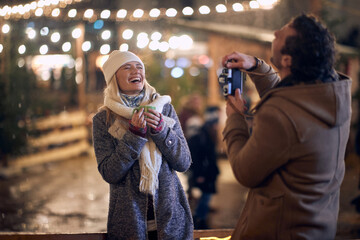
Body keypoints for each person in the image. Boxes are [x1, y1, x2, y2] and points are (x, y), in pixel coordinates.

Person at [221, 14, 351, 239]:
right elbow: (292, 101)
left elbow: (244, 171)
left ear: (288, 60)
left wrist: (235, 118)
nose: (275, 33)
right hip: (315, 228)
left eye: (282, 33)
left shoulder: (280, 114)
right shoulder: (331, 93)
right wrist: (257, 67)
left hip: (279, 231)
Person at [92, 50, 193, 240]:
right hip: (129, 225)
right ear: (114, 77)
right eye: (127, 67)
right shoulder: (102, 120)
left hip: (171, 223)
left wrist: (161, 130)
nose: (136, 71)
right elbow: (110, 172)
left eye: (139, 66)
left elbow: (184, 162)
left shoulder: (164, 109)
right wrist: (135, 136)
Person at [188, 106, 220, 229]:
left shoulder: (206, 135)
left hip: (207, 172)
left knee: (204, 196)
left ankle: (200, 218)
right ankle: (199, 219)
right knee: (204, 196)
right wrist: (200, 174)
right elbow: (201, 157)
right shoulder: (203, 136)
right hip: (205, 173)